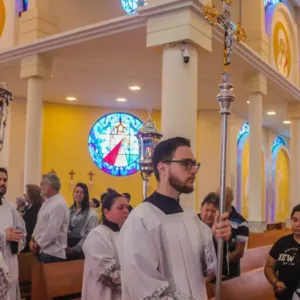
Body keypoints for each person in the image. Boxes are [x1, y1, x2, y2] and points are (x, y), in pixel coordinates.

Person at [119, 137, 231, 299]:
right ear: (163, 168)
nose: (194, 170)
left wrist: (217, 238)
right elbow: (143, 287)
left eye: (194, 164)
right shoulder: (141, 220)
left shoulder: (190, 217)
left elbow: (209, 270)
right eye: (186, 163)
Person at [82, 192, 129, 300]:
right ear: (106, 212)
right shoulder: (97, 236)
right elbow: (108, 276)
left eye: (127, 207)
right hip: (102, 295)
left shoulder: (126, 234)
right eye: (120, 208)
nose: (126, 211)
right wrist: (137, 279)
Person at [30, 173, 69, 263]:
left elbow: (52, 232)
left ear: (50, 186)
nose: (40, 187)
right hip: (42, 251)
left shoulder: (59, 204)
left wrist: (38, 244)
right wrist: (32, 239)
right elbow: (38, 225)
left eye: (42, 184)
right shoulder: (46, 202)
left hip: (52, 253)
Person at [0, 168, 26, 300]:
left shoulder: (10, 207)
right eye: (0, 179)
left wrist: (17, 237)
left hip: (10, 259)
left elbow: (21, 229)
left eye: (5, 180)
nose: (2, 182)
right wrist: (4, 236)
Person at [265, 204, 300, 300]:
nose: (298, 224)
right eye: (295, 220)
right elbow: (269, 267)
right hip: (284, 297)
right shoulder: (282, 243)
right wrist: (275, 282)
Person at [217, 186, 249, 279]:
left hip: (230, 274)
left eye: (221, 196)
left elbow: (238, 252)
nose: (218, 199)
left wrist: (220, 263)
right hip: (211, 273)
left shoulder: (241, 222)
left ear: (230, 199)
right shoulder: (213, 216)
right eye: (217, 196)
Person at [66, 183, 98, 260]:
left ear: (85, 195)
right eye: (77, 192)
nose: (79, 194)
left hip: (82, 247)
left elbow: (89, 235)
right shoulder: (69, 210)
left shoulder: (92, 213)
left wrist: (76, 248)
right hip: (67, 245)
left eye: (82, 193)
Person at [22, 184, 43, 253]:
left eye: (27, 192)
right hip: (26, 239)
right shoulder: (28, 207)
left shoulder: (38, 208)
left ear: (32, 194)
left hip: (32, 242)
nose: (24, 194)